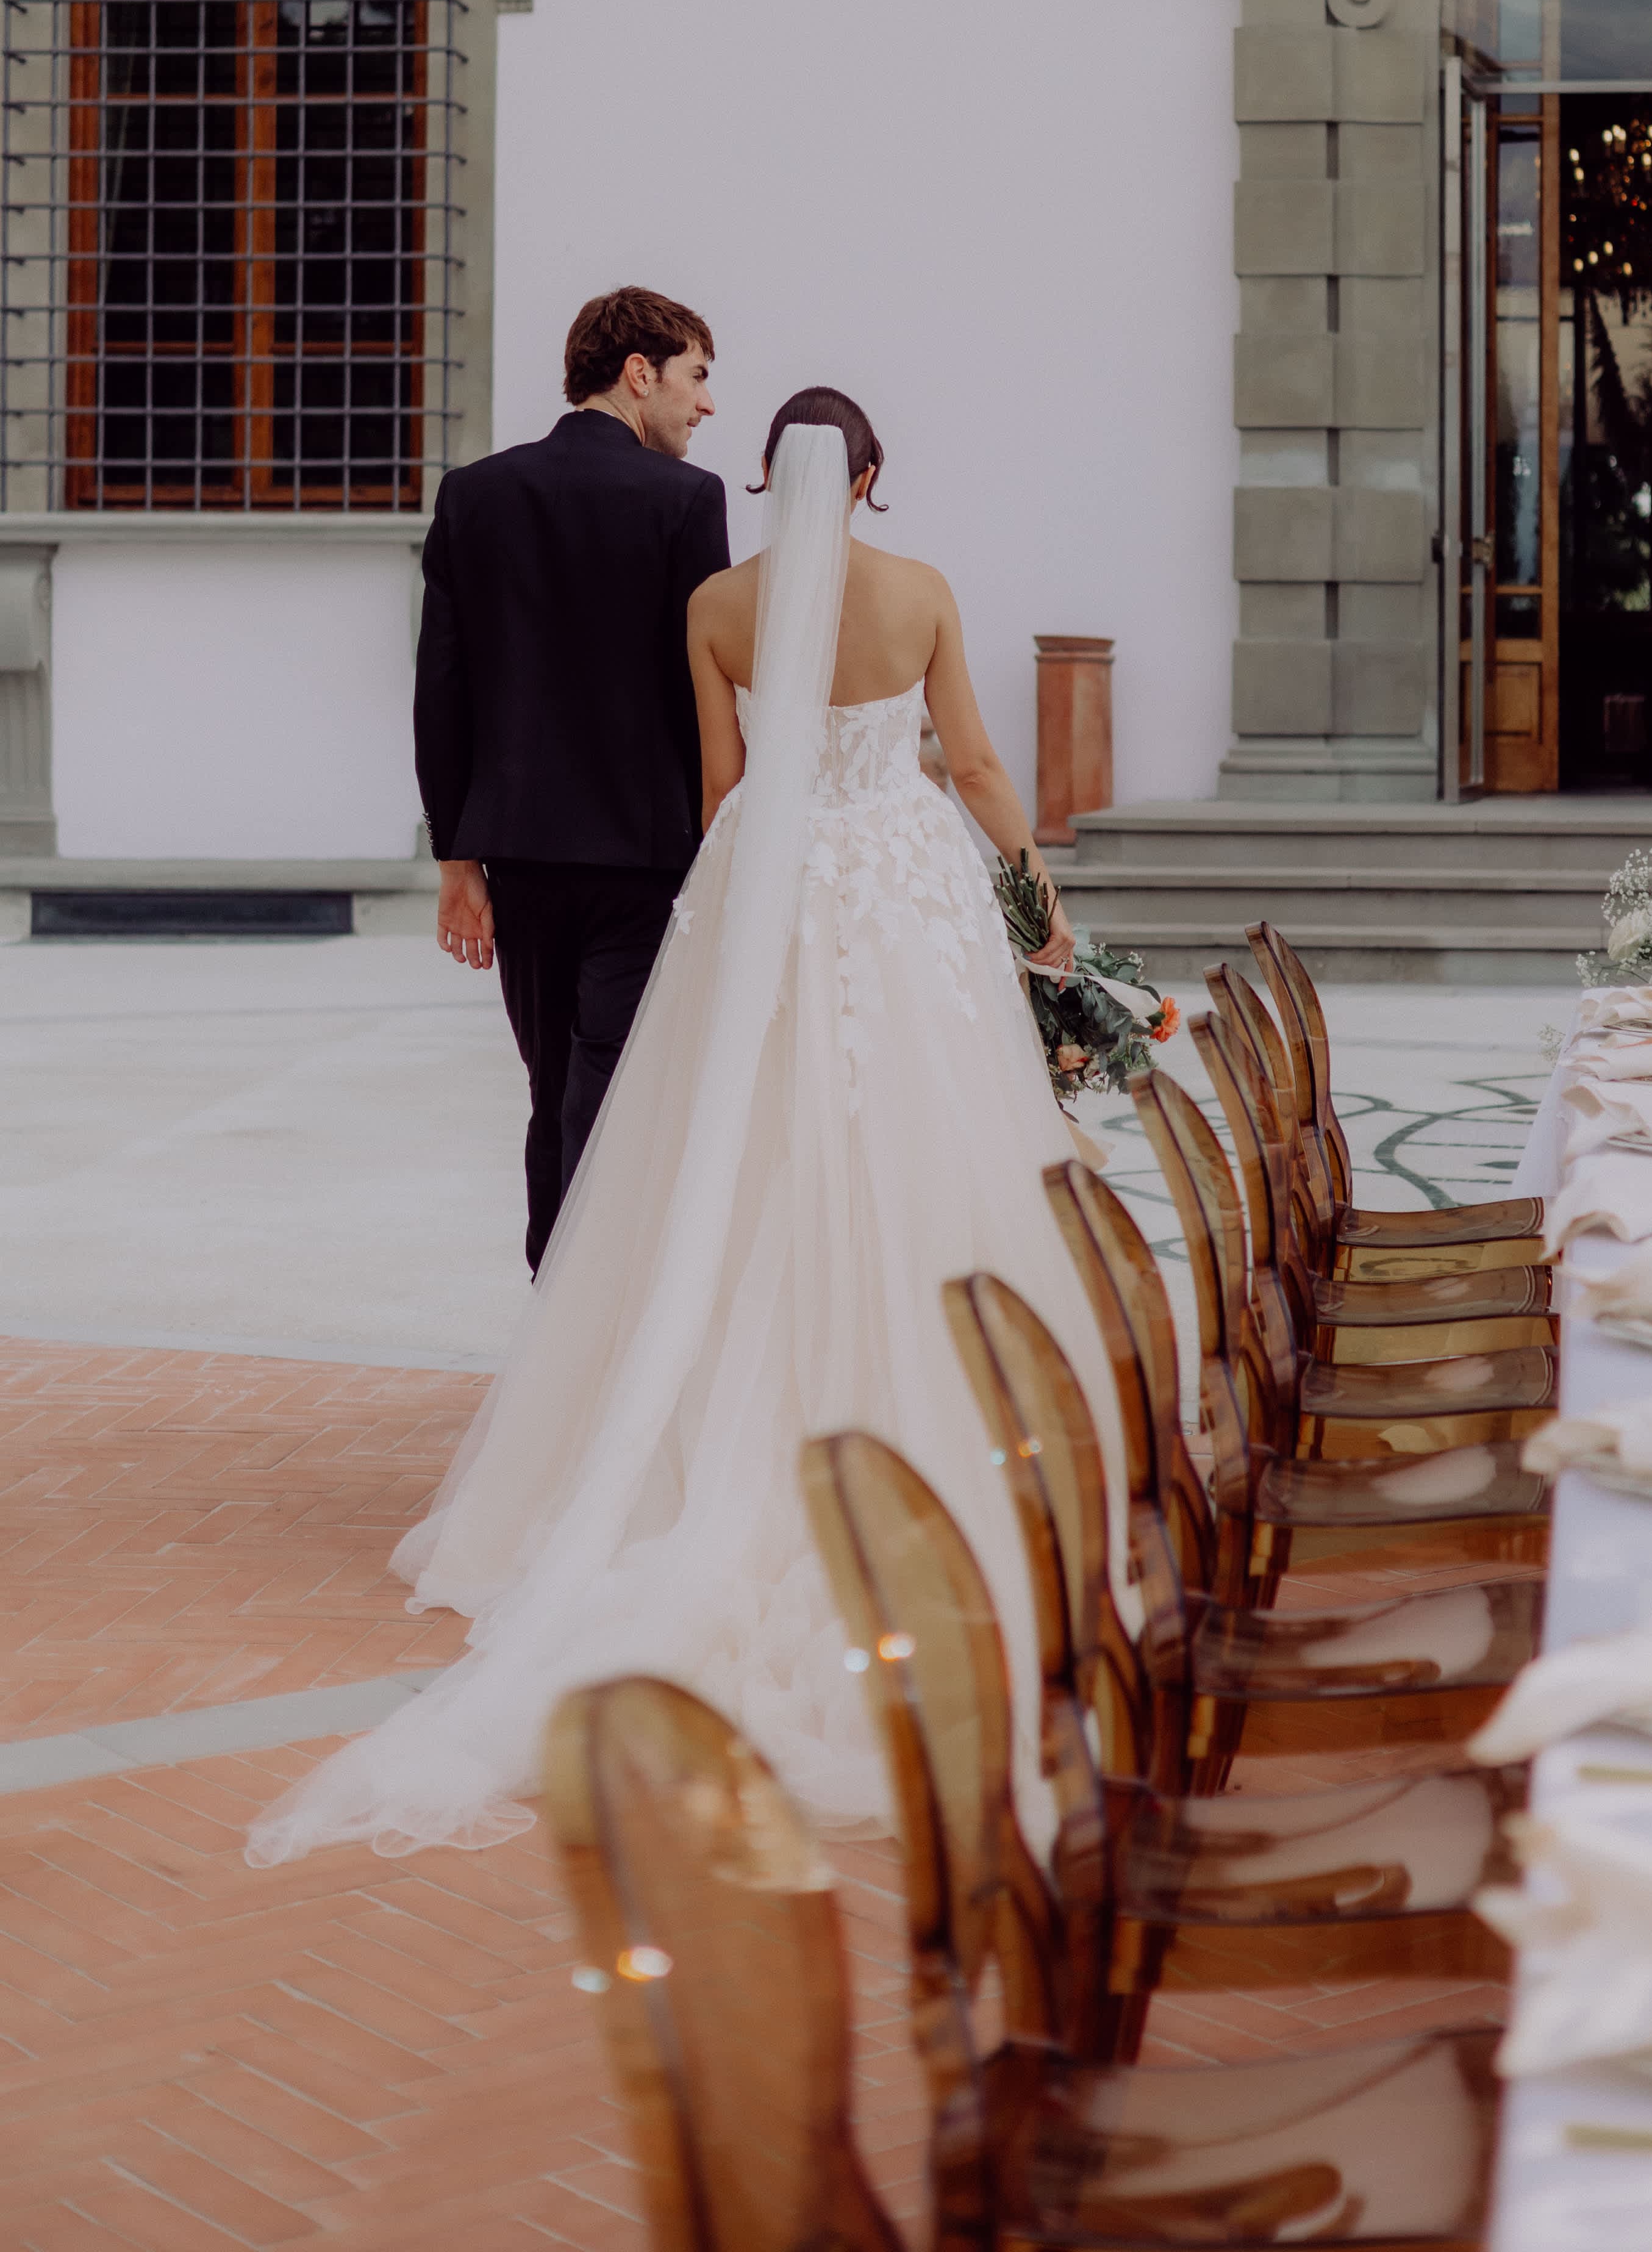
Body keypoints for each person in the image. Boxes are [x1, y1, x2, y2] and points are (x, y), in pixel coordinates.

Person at [247, 389, 1120, 1859]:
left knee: (742, 1155)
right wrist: (1041, 907)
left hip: (768, 895)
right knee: (929, 1140)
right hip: (902, 899)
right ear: (871, 480)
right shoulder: (919, 593)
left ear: (768, 475)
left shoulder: (720, 602)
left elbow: (726, 790)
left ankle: (701, 1430)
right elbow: (970, 765)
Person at [413, 287, 730, 1270]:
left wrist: (457, 859)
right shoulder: (688, 501)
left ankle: (556, 1302)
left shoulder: (476, 493)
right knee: (611, 1091)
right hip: (644, 858)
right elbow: (701, 696)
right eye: (697, 377)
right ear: (639, 372)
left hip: (519, 858)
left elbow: (442, 690)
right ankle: (582, 1328)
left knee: (555, 1089)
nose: (706, 405)